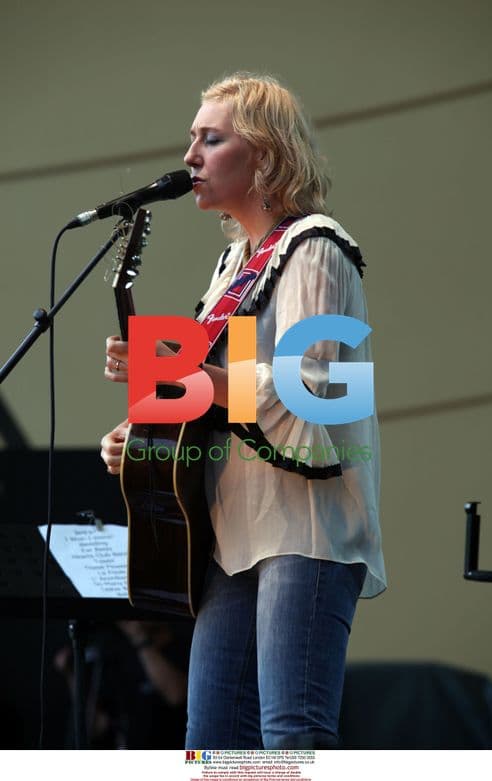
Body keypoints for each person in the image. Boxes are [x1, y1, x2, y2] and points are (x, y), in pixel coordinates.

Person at [100, 72, 386, 749]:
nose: (189, 156)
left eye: (210, 138)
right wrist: (139, 427)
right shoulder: (233, 264)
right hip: (231, 535)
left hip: (304, 529)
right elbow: (214, 393)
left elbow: (312, 383)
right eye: (191, 139)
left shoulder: (316, 244)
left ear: (264, 151)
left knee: (292, 736)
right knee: (213, 741)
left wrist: (184, 372)